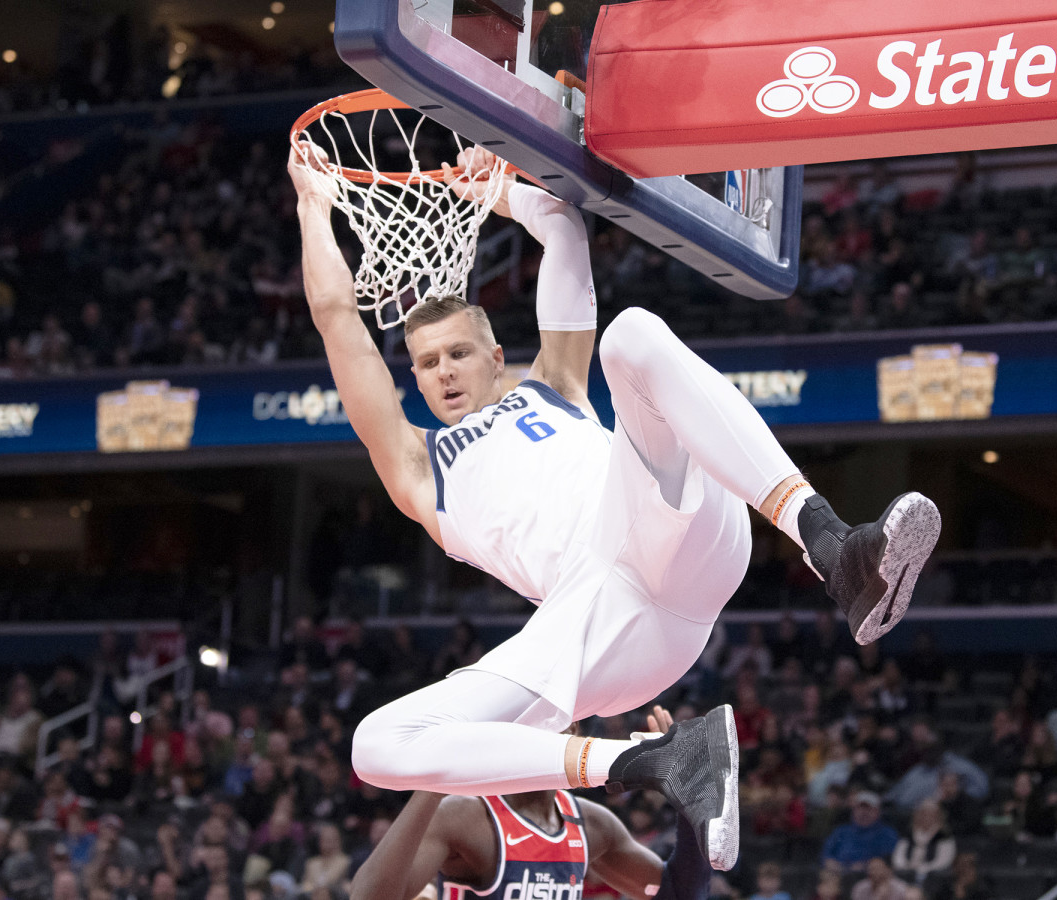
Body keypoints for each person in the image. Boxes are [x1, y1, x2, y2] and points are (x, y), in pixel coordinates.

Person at [288, 141, 941, 870]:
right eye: (427, 362)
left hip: (675, 538)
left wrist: (498, 185)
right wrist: (314, 205)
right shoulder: (418, 468)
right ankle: (655, 762)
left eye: (458, 354)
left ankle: (834, 548)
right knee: (376, 746)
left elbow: (562, 226)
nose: (442, 372)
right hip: (598, 621)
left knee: (630, 335)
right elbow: (335, 316)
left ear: (496, 355)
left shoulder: (552, 383)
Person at [351, 707, 711, 900]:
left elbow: (679, 893)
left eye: (554, 721)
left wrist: (686, 797)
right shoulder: (464, 815)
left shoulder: (591, 825)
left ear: (573, 733)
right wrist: (436, 777)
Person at [821, 791, 899, 872]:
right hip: (837, 875)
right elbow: (826, 854)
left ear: (877, 812)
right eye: (860, 808)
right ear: (853, 811)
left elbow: (888, 859)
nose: (863, 812)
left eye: (868, 809)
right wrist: (830, 862)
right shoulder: (841, 831)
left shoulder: (887, 834)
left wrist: (865, 865)